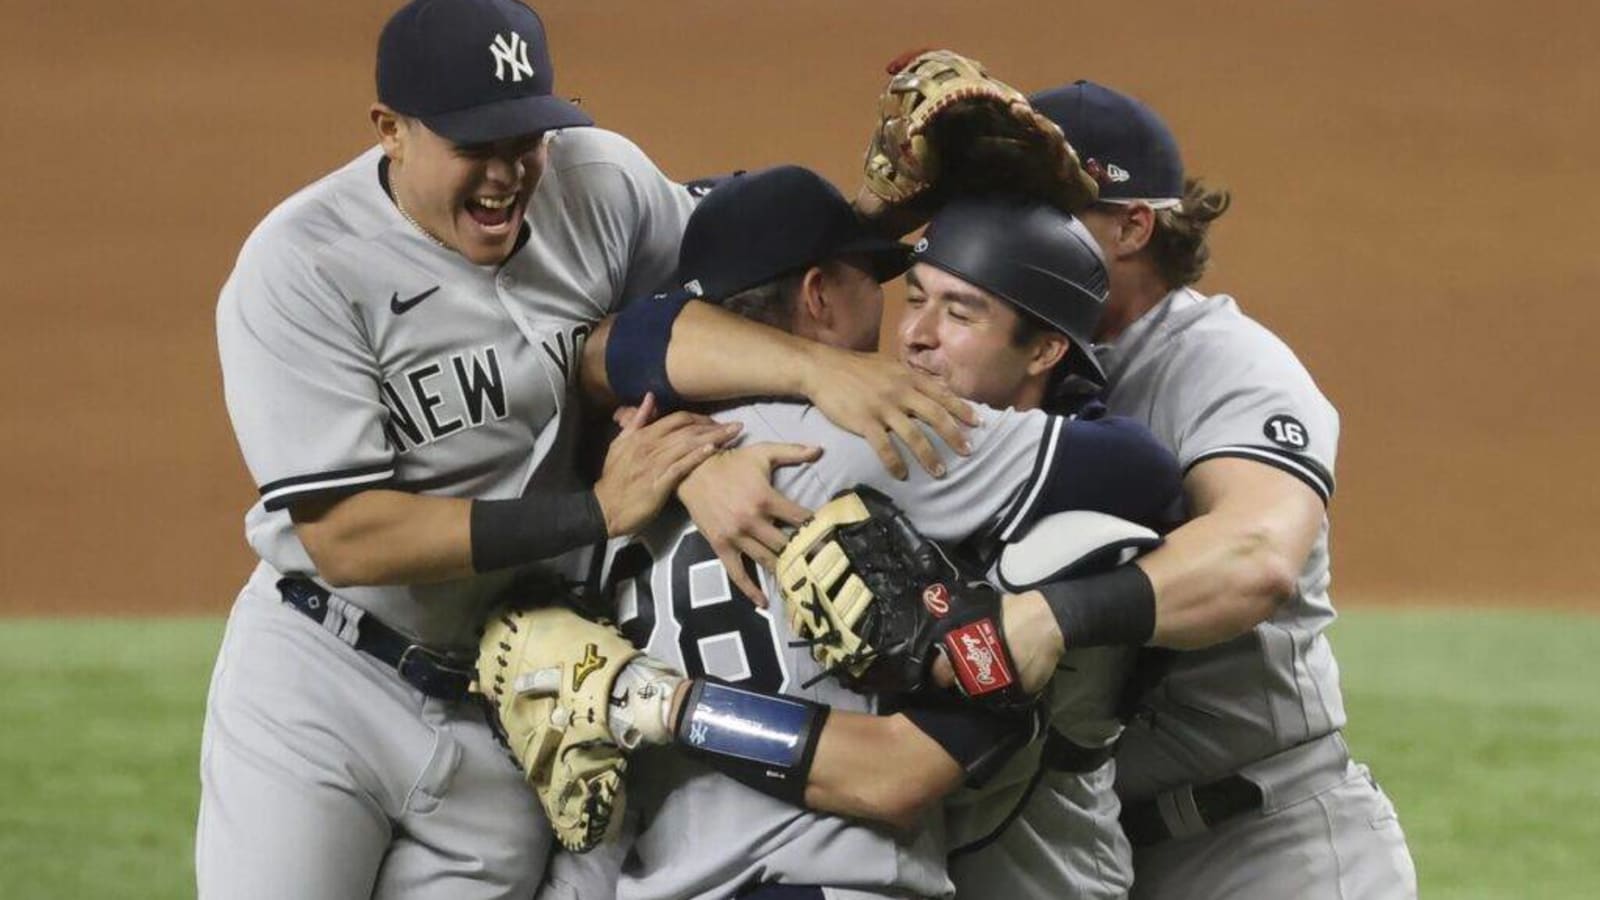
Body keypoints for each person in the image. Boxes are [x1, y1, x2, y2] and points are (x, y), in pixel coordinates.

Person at [199, 2, 972, 897]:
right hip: (324, 683)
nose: (507, 174)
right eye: (474, 146)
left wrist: (872, 218)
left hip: (516, 697)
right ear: (391, 132)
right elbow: (349, 538)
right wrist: (596, 513)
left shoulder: (600, 184)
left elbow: (731, 286)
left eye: (526, 137)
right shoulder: (303, 268)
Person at [537, 167, 1181, 900]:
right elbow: (1145, 473)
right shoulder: (876, 436)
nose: (906, 332)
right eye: (888, 285)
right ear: (818, 294)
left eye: (955, 311)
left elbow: (608, 352)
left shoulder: (613, 471)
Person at [991, 80, 1419, 899]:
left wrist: (1059, 615)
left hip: (1262, 847)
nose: (1001, 235)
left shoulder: (1225, 365)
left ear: (1132, 226)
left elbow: (1255, 555)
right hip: (1082, 857)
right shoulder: (1009, 362)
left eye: (1034, 209)